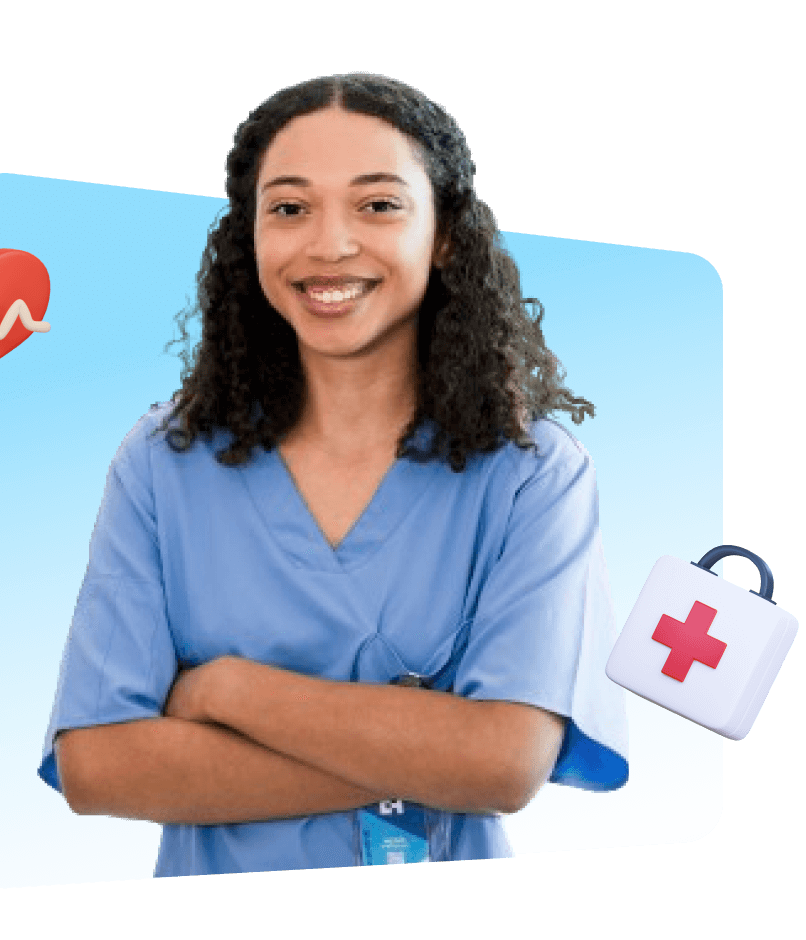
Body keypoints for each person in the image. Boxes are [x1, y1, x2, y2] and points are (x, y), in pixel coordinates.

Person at [37, 72, 629, 875]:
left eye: (377, 204)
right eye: (289, 207)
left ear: (445, 234)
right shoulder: (163, 464)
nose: (328, 244)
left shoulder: (532, 474)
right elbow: (98, 765)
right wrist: (422, 748)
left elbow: (503, 765)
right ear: (250, 235)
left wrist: (231, 693)